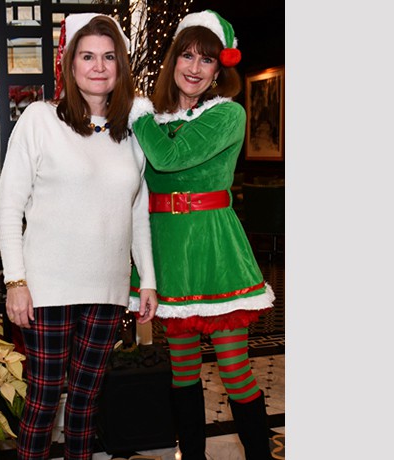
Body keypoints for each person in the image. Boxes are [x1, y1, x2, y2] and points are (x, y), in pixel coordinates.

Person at [0, 13, 158, 460]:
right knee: (44, 401)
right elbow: (9, 205)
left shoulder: (131, 133)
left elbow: (138, 212)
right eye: (88, 56)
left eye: (109, 57)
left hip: (106, 289)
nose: (99, 66)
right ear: (70, 63)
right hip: (47, 288)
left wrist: (147, 279)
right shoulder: (41, 119)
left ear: (121, 67)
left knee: (87, 404)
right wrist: (16, 281)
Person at [127, 10, 276, 460]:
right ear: (173, 60)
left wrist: (137, 117)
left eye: (206, 60)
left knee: (233, 369)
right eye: (187, 55)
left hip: (214, 248)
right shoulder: (156, 117)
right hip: (168, 246)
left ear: (219, 69)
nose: (194, 67)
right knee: (182, 370)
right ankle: (191, 455)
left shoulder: (226, 114)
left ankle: (260, 457)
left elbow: (170, 159)